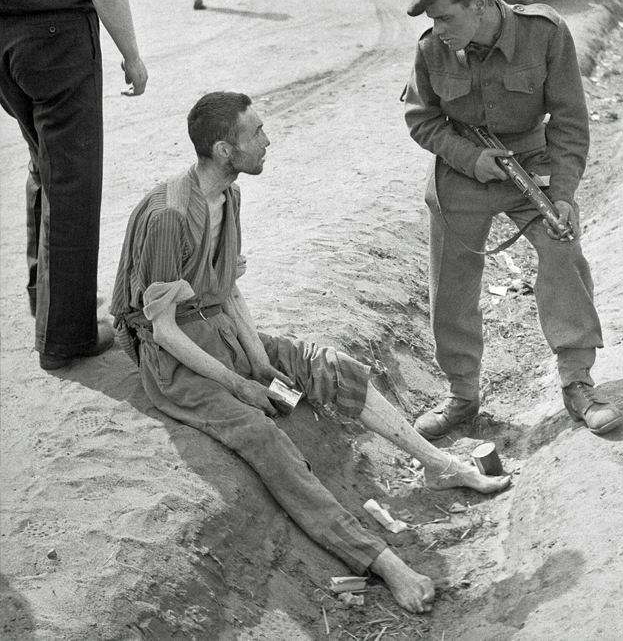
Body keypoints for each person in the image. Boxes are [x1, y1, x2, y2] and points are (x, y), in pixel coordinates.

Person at [110, 91, 510, 615]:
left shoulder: (227, 196)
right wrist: (238, 384)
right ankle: (382, 561)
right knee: (263, 435)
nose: (267, 141)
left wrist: (259, 362)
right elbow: (161, 330)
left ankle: (440, 464)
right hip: (175, 360)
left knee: (329, 368)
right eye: (255, 134)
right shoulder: (168, 216)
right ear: (224, 150)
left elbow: (227, 289)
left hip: (222, 333)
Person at [403, 0, 623, 440]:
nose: (439, 29)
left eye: (446, 17)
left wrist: (563, 193)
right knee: (452, 281)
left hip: (532, 166)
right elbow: (422, 121)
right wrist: (469, 159)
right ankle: (461, 395)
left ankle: (577, 383)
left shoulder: (544, 34)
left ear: (480, 3)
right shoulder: (431, 48)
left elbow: (569, 122)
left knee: (562, 250)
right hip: (465, 171)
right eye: (434, 21)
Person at [0, 0, 148, 371]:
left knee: (45, 170)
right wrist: (132, 54)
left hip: (7, 47)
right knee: (73, 187)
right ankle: (68, 337)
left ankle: (51, 308)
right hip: (57, 42)